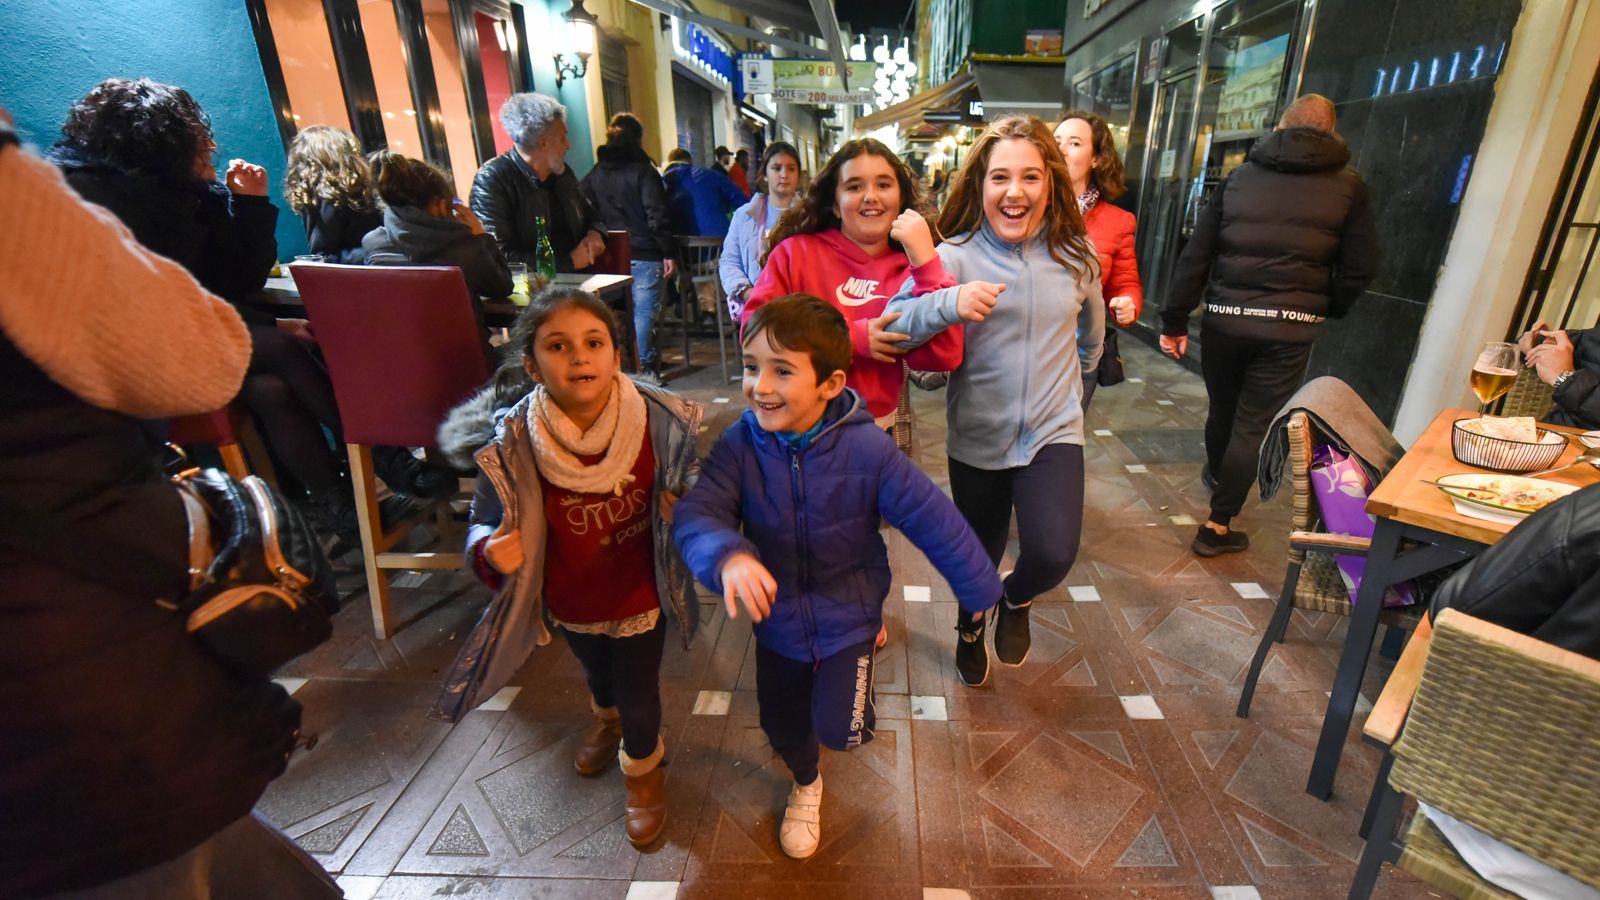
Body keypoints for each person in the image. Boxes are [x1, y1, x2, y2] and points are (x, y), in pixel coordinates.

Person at [0, 110, 336, 899]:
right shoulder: (39, 209)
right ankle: (365, 466)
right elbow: (203, 352)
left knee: (283, 371)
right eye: (202, 143)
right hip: (71, 681)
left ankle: (350, 477)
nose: (214, 151)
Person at [672, 294, 1000, 859]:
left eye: (781, 370)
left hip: (849, 611)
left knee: (841, 730)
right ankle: (806, 784)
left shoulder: (869, 449)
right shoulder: (740, 446)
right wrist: (727, 555)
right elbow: (701, 512)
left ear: (829, 384)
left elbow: (933, 519)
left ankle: (858, 666)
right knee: (780, 723)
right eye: (752, 368)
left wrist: (978, 590)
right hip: (775, 622)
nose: (760, 386)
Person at [43, 77, 373, 539]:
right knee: (280, 347)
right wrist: (270, 323)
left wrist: (250, 205)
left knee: (271, 389)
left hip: (197, 336)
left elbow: (234, 280)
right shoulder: (87, 199)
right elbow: (155, 302)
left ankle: (337, 507)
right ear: (157, 147)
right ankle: (382, 451)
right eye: (199, 142)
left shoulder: (191, 195)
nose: (213, 146)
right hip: (130, 362)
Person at [447, 286, 703, 849]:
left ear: (617, 353)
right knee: (598, 676)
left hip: (641, 591)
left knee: (639, 691)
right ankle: (606, 719)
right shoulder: (518, 437)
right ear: (532, 367)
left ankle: (642, 772)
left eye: (594, 342)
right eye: (558, 347)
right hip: (571, 596)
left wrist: (688, 508)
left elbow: (702, 489)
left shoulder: (657, 421)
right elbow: (483, 514)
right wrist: (488, 547)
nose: (580, 357)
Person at [885, 115, 1103, 687]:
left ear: (1051, 184)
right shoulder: (950, 257)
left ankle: (1018, 598)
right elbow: (894, 325)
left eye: (1030, 176)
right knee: (976, 557)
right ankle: (969, 626)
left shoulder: (1078, 255)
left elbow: (1092, 340)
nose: (1015, 191)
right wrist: (949, 303)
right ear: (979, 185)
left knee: (1053, 553)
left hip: (1055, 433)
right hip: (978, 436)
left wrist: (1073, 393)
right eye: (1000, 177)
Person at [1159, 93, 1379, 557]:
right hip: (1289, 328)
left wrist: (1175, 317)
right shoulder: (1348, 186)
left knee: (1222, 408)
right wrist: (1325, 306)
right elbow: (1362, 264)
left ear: (1279, 128)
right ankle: (1217, 524)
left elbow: (1197, 253)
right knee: (1252, 423)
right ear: (1332, 133)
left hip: (1225, 320)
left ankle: (1221, 476)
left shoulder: (1240, 178)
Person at [742, 138, 962, 425]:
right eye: (854, 186)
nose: (870, 196)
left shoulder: (914, 269)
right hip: (797, 427)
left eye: (883, 185)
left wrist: (927, 266)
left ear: (900, 199)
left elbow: (944, 358)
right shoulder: (795, 254)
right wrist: (849, 340)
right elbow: (754, 330)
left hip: (880, 429)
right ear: (835, 204)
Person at [581, 113, 678, 382]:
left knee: (615, 312)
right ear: (638, 138)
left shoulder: (594, 174)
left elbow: (584, 210)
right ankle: (644, 365)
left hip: (609, 255)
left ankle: (623, 364)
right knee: (644, 311)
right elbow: (656, 213)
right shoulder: (644, 171)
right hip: (645, 251)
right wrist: (668, 251)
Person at [1056, 110, 1141, 408]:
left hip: (1080, 355)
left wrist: (1127, 304)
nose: (1061, 148)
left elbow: (1125, 283)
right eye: (1056, 140)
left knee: (1060, 444)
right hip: (1023, 348)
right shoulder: (1023, 208)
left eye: (1075, 143)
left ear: (1096, 158)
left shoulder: (1118, 221)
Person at [471, 92, 606, 273]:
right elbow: (498, 255)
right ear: (543, 143)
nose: (569, 145)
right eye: (563, 138)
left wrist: (595, 234)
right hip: (531, 294)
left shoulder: (562, 174)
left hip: (580, 282)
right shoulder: (492, 180)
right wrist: (567, 262)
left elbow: (593, 216)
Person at [362, 151, 513, 300]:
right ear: (441, 205)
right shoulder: (466, 250)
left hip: (397, 325)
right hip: (458, 325)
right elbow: (503, 287)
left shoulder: (373, 244)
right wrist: (482, 236)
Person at [719, 140, 800, 320]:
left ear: (798, 175)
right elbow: (729, 261)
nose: (784, 175)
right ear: (764, 174)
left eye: (791, 169)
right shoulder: (744, 216)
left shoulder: (810, 217)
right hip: (757, 312)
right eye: (776, 168)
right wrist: (748, 293)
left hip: (799, 312)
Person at [283, 124, 381, 264]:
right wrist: (380, 251)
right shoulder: (332, 195)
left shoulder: (331, 194)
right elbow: (326, 256)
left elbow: (325, 256)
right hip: (371, 275)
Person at [1516, 319, 1600, 429]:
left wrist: (1565, 379)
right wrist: (1539, 344)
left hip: (1583, 440)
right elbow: (1519, 345)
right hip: (1555, 434)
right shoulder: (1593, 337)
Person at [662, 147, 748, 238]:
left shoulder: (664, 183)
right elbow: (743, 203)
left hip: (681, 248)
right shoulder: (712, 175)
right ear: (690, 162)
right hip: (718, 244)